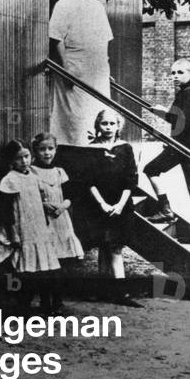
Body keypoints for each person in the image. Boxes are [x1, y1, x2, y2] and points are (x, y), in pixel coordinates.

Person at [48, 0, 114, 145]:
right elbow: (56, 38)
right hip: (74, 70)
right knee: (75, 118)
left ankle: (96, 153)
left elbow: (104, 40)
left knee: (98, 113)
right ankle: (73, 153)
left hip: (98, 72)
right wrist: (66, 69)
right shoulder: (64, 4)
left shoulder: (98, 6)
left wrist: (106, 69)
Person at [0, 139, 62, 312]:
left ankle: (48, 305)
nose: (24, 161)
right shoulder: (9, 180)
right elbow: (7, 212)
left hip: (38, 229)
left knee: (45, 268)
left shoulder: (33, 176)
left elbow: (39, 200)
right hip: (23, 230)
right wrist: (13, 234)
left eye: (26, 156)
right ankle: (23, 307)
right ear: (11, 161)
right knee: (26, 271)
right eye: (19, 158)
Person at [143, 58, 190, 237]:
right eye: (173, 73)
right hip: (183, 146)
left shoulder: (189, 93)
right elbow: (178, 119)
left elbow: (182, 120)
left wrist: (162, 112)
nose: (175, 76)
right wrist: (162, 113)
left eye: (180, 72)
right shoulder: (184, 93)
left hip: (187, 148)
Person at [85, 110, 140, 302]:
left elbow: (131, 179)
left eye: (112, 124)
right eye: (104, 124)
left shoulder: (125, 148)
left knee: (116, 247)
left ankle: (121, 292)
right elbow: (88, 180)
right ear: (98, 126)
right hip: (98, 203)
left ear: (118, 126)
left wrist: (119, 205)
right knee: (102, 245)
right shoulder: (92, 149)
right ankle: (102, 288)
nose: (108, 127)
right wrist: (102, 204)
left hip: (121, 204)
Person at [30, 132, 83, 313]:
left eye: (50, 149)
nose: (47, 153)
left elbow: (70, 196)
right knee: (46, 264)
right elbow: (29, 197)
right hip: (43, 222)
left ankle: (58, 301)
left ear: (56, 150)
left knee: (60, 264)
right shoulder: (31, 172)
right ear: (35, 151)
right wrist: (44, 204)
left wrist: (63, 206)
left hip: (60, 221)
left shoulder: (60, 172)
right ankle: (45, 302)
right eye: (42, 149)